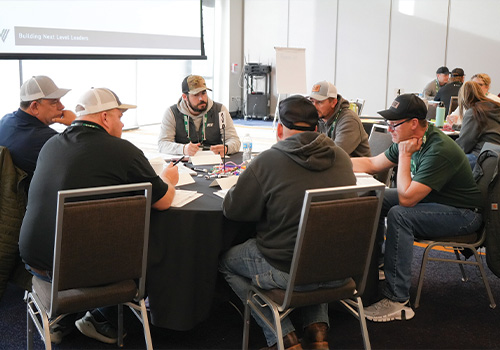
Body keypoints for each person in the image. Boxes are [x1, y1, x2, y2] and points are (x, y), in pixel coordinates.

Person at [19, 87, 179, 345]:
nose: (123, 122)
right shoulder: (122, 151)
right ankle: (101, 316)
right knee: (155, 246)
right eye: (119, 115)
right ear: (105, 117)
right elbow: (163, 201)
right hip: (85, 273)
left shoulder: (51, 145)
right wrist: (168, 180)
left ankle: (63, 319)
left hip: (35, 262)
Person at [219, 95, 357, 350]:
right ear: (317, 128)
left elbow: (233, 209)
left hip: (287, 271)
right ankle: (317, 332)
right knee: (318, 245)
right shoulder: (341, 158)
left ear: (280, 128)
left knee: (226, 261)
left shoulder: (268, 161)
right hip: (340, 268)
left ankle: (283, 336)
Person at [351, 93, 483, 322]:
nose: (390, 129)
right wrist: (332, 162)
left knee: (400, 215)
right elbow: (372, 164)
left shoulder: (438, 149)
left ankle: (398, 301)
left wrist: (404, 157)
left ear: (413, 124)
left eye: (394, 124)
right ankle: (383, 264)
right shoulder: (407, 140)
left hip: (463, 215)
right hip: (437, 203)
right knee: (376, 196)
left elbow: (407, 199)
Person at [0, 75, 76, 190]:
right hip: (37, 204)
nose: (62, 106)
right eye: (54, 102)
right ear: (35, 106)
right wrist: (76, 123)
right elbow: (82, 161)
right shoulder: (46, 139)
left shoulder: (5, 121)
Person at [158, 74, 241, 156]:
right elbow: (163, 144)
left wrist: (226, 148)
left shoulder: (220, 110)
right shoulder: (171, 113)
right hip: (184, 163)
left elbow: (234, 140)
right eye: (196, 95)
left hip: (214, 162)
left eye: (203, 93)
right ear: (184, 97)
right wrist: (183, 149)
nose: (201, 98)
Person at [309, 81, 371, 157]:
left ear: (333, 102)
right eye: (312, 102)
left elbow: (335, 154)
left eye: (319, 102)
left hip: (355, 168)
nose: (314, 107)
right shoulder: (318, 117)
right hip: (333, 166)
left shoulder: (349, 120)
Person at [454, 81, 500, 169]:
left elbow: (464, 145)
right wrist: (455, 126)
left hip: (482, 155)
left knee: (446, 163)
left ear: (463, 97)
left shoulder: (474, 112)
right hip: (495, 155)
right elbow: (486, 126)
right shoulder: (494, 107)